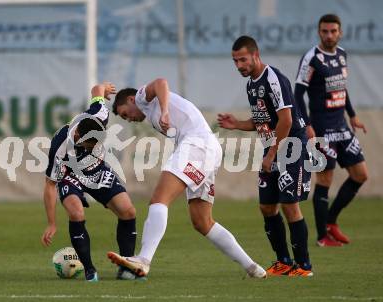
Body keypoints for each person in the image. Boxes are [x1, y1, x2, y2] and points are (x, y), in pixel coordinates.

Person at [106, 78, 266, 279]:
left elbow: (161, 82)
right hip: (208, 150)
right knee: (202, 222)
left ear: (131, 100)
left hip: (197, 146)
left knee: (159, 200)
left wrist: (164, 110)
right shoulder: (149, 110)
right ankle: (253, 268)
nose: (129, 118)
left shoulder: (141, 98)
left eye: (125, 114)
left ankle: (143, 259)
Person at [218, 36, 313, 276]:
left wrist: (271, 153)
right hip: (274, 146)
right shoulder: (251, 84)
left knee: (289, 206)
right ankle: (283, 261)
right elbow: (263, 121)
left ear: (255, 55)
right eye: (235, 61)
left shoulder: (273, 79)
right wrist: (237, 124)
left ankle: (303, 266)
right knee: (267, 207)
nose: (239, 65)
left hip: (291, 145)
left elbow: (286, 120)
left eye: (243, 59)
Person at [41, 82, 140, 281]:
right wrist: (52, 223)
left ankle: (126, 267)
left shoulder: (100, 114)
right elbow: (50, 185)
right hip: (70, 175)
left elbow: (96, 91)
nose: (94, 145)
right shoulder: (60, 147)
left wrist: (104, 88)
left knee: (128, 210)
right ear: (78, 135)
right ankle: (89, 270)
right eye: (90, 143)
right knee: (77, 213)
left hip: (96, 169)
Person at [294, 14, 368, 247]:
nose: (329, 35)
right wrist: (307, 124)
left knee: (360, 175)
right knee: (324, 180)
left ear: (340, 32)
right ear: (319, 32)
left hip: (343, 126)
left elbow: (341, 88)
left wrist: (353, 114)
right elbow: (298, 94)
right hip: (322, 129)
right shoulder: (312, 58)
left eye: (333, 31)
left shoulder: (342, 55)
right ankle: (322, 237)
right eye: (324, 31)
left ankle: (331, 222)